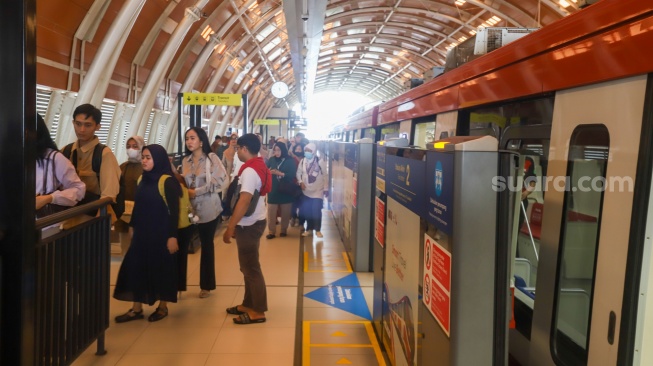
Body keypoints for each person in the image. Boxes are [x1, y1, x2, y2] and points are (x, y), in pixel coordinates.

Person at [113, 144, 181, 323]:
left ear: (158, 159)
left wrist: (172, 236)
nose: (144, 160)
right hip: (143, 233)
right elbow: (138, 206)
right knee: (136, 268)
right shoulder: (142, 179)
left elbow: (174, 212)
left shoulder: (167, 181)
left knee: (161, 269)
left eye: (148, 157)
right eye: (143, 157)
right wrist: (133, 227)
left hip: (161, 234)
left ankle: (162, 306)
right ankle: (136, 308)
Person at [223, 133, 271, 324]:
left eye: (237, 149)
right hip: (254, 221)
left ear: (244, 149)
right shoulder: (258, 165)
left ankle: (258, 311)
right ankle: (248, 303)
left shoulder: (250, 171)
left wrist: (230, 226)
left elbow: (244, 201)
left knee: (251, 268)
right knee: (247, 267)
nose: (236, 153)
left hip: (249, 225)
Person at [181, 127, 227, 298]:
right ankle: (179, 283)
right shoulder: (185, 161)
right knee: (182, 244)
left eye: (192, 138)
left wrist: (198, 191)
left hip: (208, 208)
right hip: (188, 208)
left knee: (206, 245)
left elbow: (220, 180)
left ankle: (206, 285)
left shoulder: (211, 158)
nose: (189, 142)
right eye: (187, 139)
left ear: (201, 141)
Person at [62, 103, 121, 206]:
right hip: (67, 218)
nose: (82, 130)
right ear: (73, 123)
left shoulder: (104, 155)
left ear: (97, 127)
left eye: (88, 125)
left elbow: (108, 196)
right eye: (78, 124)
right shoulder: (66, 151)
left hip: (91, 218)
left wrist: (100, 221)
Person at [35, 114, 86, 216]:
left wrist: (50, 198)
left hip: (44, 223)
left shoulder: (53, 158)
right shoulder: (9, 157)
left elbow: (79, 189)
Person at [114, 136, 144, 255]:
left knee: (139, 246)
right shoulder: (123, 166)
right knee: (125, 247)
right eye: (128, 146)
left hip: (140, 212)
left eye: (135, 146)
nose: (131, 149)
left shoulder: (145, 166)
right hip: (124, 211)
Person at [266, 142, 298, 239]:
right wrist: (270, 172)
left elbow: (292, 175)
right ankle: (271, 231)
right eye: (275, 150)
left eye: (279, 150)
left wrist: (280, 173)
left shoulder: (290, 160)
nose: (277, 152)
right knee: (271, 210)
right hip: (273, 189)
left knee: (285, 211)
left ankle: (283, 230)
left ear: (283, 150)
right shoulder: (271, 160)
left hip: (286, 189)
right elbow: (266, 170)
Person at [296, 143, 328, 238]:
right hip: (306, 191)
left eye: (309, 151)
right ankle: (309, 229)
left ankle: (318, 230)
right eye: (306, 150)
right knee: (308, 210)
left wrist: (326, 188)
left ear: (313, 151)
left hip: (318, 190)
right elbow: (298, 173)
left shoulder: (319, 161)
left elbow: (325, 175)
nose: (307, 152)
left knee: (316, 209)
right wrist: (300, 182)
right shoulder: (303, 161)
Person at [290, 143, 305, 227]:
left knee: (302, 203)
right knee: (293, 203)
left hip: (303, 185)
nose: (298, 151)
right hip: (294, 184)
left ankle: (300, 219)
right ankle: (293, 217)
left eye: (300, 149)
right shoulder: (292, 159)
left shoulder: (305, 159)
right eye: (297, 149)